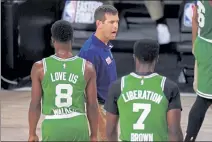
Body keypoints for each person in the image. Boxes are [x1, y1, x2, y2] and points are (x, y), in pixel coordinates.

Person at [28, 20, 98, 142]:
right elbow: (92, 105)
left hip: (53, 125)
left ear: (52, 40)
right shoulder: (87, 67)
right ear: (72, 39)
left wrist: (32, 133)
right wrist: (94, 135)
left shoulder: (39, 67)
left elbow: (35, 103)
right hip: (78, 125)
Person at [105, 39, 183, 141]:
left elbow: (110, 132)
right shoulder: (168, 87)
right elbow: (174, 131)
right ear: (157, 58)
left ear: (134, 57)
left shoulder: (118, 86)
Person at [78, 5, 119, 141]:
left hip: (109, 108)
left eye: (117, 22)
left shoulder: (104, 45)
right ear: (99, 24)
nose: (116, 26)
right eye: (111, 22)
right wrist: (99, 124)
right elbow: (86, 90)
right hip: (101, 111)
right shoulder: (90, 51)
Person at [184, 1, 212, 141]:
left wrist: (195, 44)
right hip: (209, 49)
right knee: (204, 100)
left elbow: (194, 17)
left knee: (204, 99)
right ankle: (189, 138)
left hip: (203, 44)